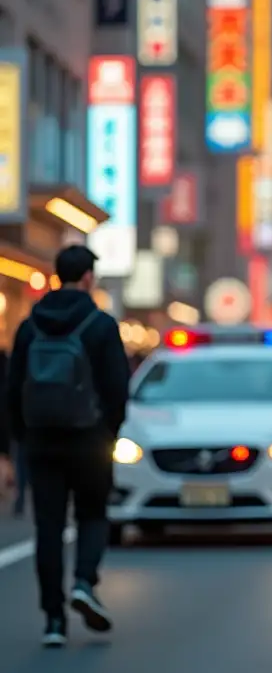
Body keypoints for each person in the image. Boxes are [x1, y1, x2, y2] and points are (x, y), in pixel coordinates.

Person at [7, 244, 130, 646]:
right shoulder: (100, 325)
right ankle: (83, 582)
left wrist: (22, 437)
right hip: (90, 440)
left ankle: (53, 621)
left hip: (42, 440)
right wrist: (109, 432)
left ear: (58, 275)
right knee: (92, 515)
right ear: (89, 278)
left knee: (49, 526)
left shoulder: (30, 326)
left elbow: (12, 388)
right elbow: (117, 388)